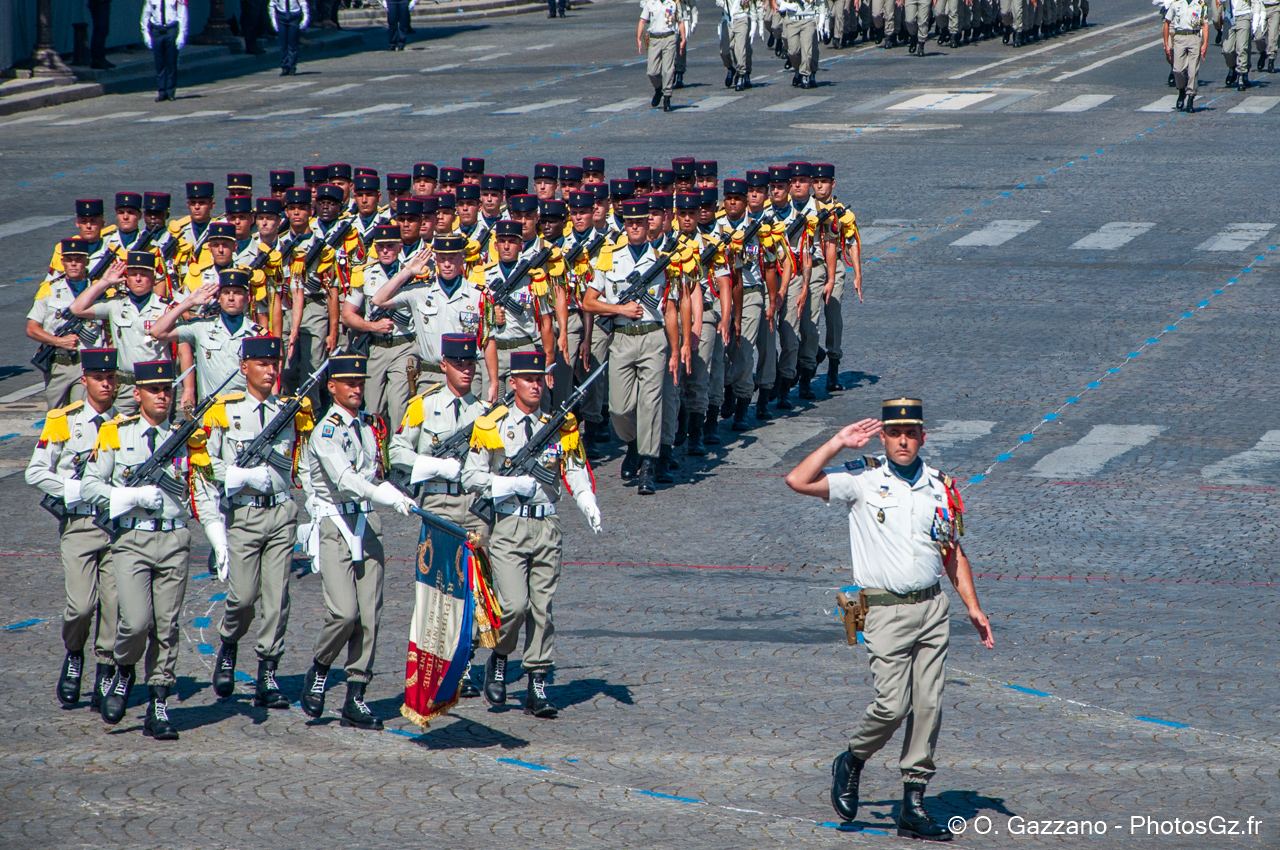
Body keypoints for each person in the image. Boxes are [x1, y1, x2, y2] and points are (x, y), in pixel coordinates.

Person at [784, 399, 994, 842]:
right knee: (892, 705)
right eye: (895, 433)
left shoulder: (940, 486)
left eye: (911, 433)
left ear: (923, 436)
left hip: (933, 608)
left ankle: (913, 805)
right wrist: (838, 441)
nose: (903, 441)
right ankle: (852, 760)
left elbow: (951, 552)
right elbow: (797, 480)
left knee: (930, 705)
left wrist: (972, 607)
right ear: (883, 437)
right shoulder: (862, 481)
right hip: (882, 611)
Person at [83, 358, 221, 740]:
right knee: (136, 622)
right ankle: (125, 670)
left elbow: (203, 490)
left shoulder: (186, 436)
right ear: (138, 393)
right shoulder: (115, 433)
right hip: (131, 539)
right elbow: (90, 485)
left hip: (175, 540)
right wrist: (128, 495)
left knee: (167, 625)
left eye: (168, 390)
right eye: (155, 390)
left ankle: (159, 701)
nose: (163, 396)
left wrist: (217, 536)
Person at [462, 351, 601, 718]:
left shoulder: (558, 425)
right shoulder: (492, 424)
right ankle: (501, 656)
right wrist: (508, 483)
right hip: (509, 525)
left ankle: (537, 681)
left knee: (542, 610)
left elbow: (573, 469)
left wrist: (586, 499)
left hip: (547, 525)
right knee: (514, 606)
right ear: (513, 383)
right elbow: (470, 476)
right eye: (528, 379)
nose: (535, 385)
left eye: (540, 379)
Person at [298, 353, 417, 730]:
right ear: (332, 387)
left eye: (361, 383)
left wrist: (396, 493)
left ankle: (356, 695)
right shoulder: (326, 431)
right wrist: (386, 495)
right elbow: (346, 479)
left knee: (369, 615)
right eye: (349, 383)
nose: (357, 389)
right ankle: (320, 667)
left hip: (367, 522)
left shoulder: (368, 425)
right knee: (344, 612)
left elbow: (372, 473)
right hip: (336, 525)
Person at [197, 336, 305, 710]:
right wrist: (240, 477)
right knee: (242, 597)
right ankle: (229, 642)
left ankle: (268, 672)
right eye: (262, 364)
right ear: (245, 368)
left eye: (275, 364)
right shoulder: (224, 412)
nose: (270, 370)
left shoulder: (289, 411)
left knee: (277, 599)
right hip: (243, 514)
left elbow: (302, 463)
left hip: (281, 513)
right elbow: (207, 463)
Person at [25, 348, 120, 710]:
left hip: (113, 526)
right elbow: (36, 472)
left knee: (114, 606)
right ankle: (75, 653)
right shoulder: (63, 421)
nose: (107, 384)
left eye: (111, 378)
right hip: (79, 523)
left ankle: (106, 672)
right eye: (100, 378)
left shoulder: (122, 425)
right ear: (85, 381)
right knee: (82, 606)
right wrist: (74, 489)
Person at [583, 198, 682, 495]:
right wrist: (620, 310)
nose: (636, 227)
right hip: (622, 337)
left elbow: (672, 309)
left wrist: (676, 350)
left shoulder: (663, 258)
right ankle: (635, 444)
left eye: (641, 222)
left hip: (653, 337)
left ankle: (648, 467)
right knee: (619, 407)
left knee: (651, 403)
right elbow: (588, 301)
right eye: (630, 222)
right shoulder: (609, 257)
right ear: (624, 225)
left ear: (649, 224)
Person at [370, 233, 490, 398]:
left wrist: (493, 381)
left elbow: (488, 341)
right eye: (442, 258)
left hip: (466, 374)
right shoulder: (420, 291)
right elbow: (378, 299)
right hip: (430, 376)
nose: (447, 264)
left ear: (462, 259)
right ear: (435, 260)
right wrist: (408, 271)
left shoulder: (478, 295)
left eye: (452, 258)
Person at [70, 252, 174, 417]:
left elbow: (182, 347)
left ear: (153, 278)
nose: (138, 279)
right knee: (120, 430)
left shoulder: (165, 308)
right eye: (133, 275)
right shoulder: (116, 305)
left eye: (144, 275)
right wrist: (104, 282)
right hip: (126, 384)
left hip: (156, 384)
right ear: (126, 279)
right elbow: (77, 308)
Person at [149, 269, 264, 409]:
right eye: (226, 293)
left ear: (247, 298)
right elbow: (157, 331)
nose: (231, 298)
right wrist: (189, 302)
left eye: (238, 293)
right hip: (211, 411)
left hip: (245, 408)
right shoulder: (202, 327)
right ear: (219, 297)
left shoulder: (257, 334)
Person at [716, 176, 779, 429]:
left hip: (751, 293)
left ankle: (743, 403)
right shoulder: (715, 226)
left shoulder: (760, 227)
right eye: (729, 198)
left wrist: (772, 301)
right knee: (720, 353)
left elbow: (770, 265)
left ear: (746, 202)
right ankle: (729, 386)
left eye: (738, 199)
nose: (733, 203)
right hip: (720, 295)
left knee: (742, 352)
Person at [342, 224, 418, 428]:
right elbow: (347, 315)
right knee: (373, 407)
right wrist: (372, 326)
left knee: (399, 406)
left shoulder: (413, 272)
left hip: (404, 346)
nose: (385, 251)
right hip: (375, 347)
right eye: (381, 246)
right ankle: (376, 454)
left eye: (390, 246)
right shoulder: (365, 273)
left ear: (400, 247)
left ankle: (397, 455)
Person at [27, 238, 109, 410]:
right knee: (57, 417)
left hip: (87, 365)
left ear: (87, 261)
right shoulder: (49, 289)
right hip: (59, 364)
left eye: (78, 260)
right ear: (62, 262)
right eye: (69, 260)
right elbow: (32, 328)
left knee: (82, 413)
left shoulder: (99, 291)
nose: (73, 264)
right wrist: (58, 341)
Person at [810, 163, 863, 393]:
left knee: (833, 317)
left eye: (824, 182)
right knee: (806, 318)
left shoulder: (842, 211)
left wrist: (858, 274)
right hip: (810, 267)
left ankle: (833, 367)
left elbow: (852, 243)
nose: (819, 185)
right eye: (816, 181)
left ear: (833, 183)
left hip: (836, 266)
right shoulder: (805, 208)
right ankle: (813, 354)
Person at [639, 0, 688, 112]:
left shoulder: (674, 3)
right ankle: (658, 89)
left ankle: (667, 97)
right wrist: (638, 38)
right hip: (654, 38)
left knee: (668, 70)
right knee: (652, 71)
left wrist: (683, 38)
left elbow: (680, 21)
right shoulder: (651, 2)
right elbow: (642, 20)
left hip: (669, 37)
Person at [1164, 0, 1210, 112]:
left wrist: (1205, 43)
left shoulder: (1200, 5)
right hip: (1179, 37)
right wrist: (1166, 44)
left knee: (1193, 70)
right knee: (1178, 70)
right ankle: (1181, 90)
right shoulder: (1177, 4)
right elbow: (1167, 23)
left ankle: (1190, 98)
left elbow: (1205, 25)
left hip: (1194, 37)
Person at [141, 0, 188, 103]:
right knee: (159, 62)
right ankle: (161, 91)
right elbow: (146, 14)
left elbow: (182, 13)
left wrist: (182, 34)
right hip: (157, 29)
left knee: (171, 61)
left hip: (171, 28)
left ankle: (170, 91)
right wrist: (146, 33)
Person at [776, 0, 825, 81]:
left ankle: (804, 75)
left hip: (808, 20)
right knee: (793, 52)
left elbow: (821, 2)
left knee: (807, 50)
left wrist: (822, 20)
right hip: (792, 20)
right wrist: (785, 4)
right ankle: (798, 69)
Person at [718, 0, 755, 91]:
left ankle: (742, 74)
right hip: (728, 20)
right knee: (724, 51)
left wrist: (756, 24)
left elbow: (752, 6)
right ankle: (731, 68)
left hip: (741, 18)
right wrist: (721, 3)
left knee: (740, 48)